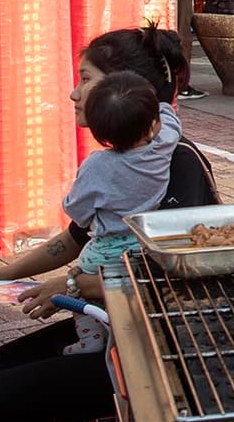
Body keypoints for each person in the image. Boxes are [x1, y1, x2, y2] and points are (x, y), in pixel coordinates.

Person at [0, 27, 188, 422]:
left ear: (123, 88)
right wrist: (3, 272)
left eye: (86, 79)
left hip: (150, 350)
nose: (73, 93)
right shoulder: (148, 141)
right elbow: (73, 237)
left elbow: (171, 276)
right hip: (102, 323)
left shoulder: (178, 168)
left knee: (0, 396)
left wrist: (73, 287)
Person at [57, 70, 165, 354]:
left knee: (79, 283)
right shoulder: (161, 150)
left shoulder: (98, 165)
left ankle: (91, 339)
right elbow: (169, 120)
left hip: (104, 251)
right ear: (153, 126)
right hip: (142, 245)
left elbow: (76, 210)